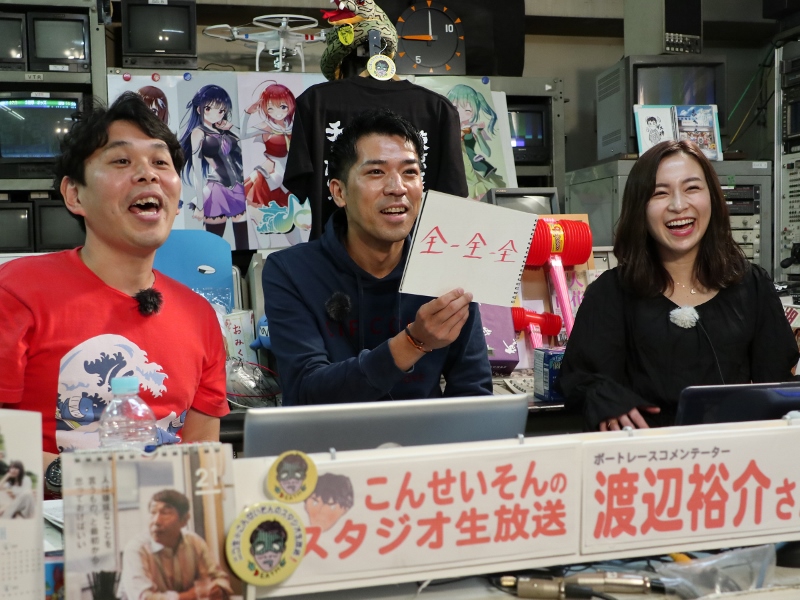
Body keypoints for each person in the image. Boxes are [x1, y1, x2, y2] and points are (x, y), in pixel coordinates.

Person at [0, 92, 229, 474]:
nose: (148, 174)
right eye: (122, 161)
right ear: (75, 194)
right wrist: (75, 478)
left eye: (160, 162)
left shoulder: (200, 317)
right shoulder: (16, 292)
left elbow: (202, 463)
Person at [558, 140, 799, 431]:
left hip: (733, 453)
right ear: (640, 207)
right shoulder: (611, 293)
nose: (678, 205)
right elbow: (579, 380)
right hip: (646, 453)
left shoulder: (752, 286)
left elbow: (778, 386)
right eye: (660, 193)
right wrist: (605, 400)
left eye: (692, 188)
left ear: (713, 197)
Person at [262, 109, 492, 406]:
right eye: (376, 172)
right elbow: (307, 392)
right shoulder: (291, 271)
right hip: (331, 437)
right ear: (339, 192)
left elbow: (473, 393)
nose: (397, 188)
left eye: (410, 172)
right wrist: (414, 342)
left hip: (425, 435)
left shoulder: (446, 267)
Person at [121, 489, 232, 600]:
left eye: (165, 513)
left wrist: (218, 589)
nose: (156, 521)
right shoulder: (137, 549)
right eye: (153, 512)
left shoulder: (194, 542)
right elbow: (144, 598)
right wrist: (190, 596)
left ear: (184, 520)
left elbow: (220, 578)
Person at [179, 84, 249, 250]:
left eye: (221, 110)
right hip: (217, 190)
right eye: (209, 108)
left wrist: (231, 126)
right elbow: (196, 169)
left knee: (244, 245)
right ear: (199, 109)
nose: (215, 113)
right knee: (212, 246)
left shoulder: (224, 130)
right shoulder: (198, 132)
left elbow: (246, 137)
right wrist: (200, 204)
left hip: (237, 187)